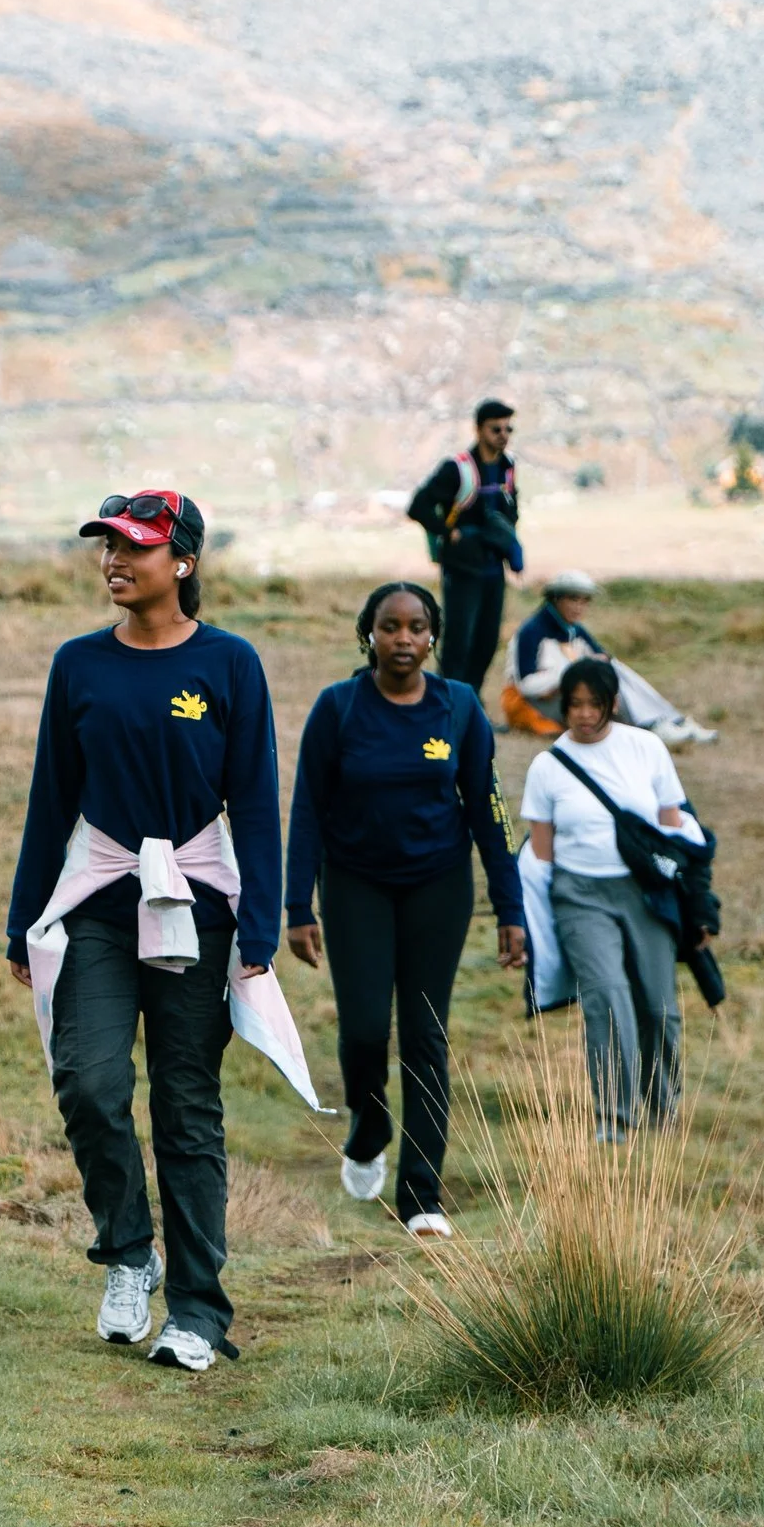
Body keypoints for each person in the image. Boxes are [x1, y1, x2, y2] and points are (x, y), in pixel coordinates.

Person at [6, 490, 280, 1374]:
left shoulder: (231, 664)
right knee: (87, 1080)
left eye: (136, 547)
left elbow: (259, 803)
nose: (114, 561)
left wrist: (261, 922)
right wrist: (23, 918)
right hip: (98, 894)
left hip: (196, 902)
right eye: (108, 547)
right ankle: (130, 1252)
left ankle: (198, 1309)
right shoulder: (78, 664)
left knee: (186, 1103)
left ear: (184, 563)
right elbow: (52, 796)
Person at [284, 582, 526, 1240]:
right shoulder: (338, 708)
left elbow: (489, 810)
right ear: (368, 635)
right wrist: (296, 902)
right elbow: (307, 807)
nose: (403, 639)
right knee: (365, 1028)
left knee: (424, 1034)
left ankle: (422, 1194)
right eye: (389, 626)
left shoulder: (460, 708)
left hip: (437, 886)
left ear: (432, 637)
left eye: (417, 627)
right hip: (355, 882)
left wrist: (511, 907)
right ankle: (368, 1126)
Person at [518, 659, 693, 1141]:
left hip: (644, 894)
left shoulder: (646, 748)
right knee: (608, 1000)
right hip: (580, 897)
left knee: (659, 1008)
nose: (583, 714)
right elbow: (541, 852)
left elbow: (672, 824)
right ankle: (614, 1118)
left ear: (613, 704)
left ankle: (664, 1107)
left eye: (594, 704)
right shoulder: (547, 766)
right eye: (573, 704)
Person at [504, 570, 718, 748]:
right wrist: (573, 672)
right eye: (573, 599)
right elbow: (526, 685)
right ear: (556, 599)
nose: (579, 607)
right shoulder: (532, 631)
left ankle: (672, 721)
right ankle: (654, 727)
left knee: (613, 669)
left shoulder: (573, 629)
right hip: (536, 703)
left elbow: (604, 658)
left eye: (584, 601)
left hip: (568, 695)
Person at [406, 398, 524, 697]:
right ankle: (445, 704)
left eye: (508, 428)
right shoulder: (457, 468)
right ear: (479, 429)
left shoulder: (508, 467)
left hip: (493, 567)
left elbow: (512, 508)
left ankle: (471, 704)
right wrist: (449, 533)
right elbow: (418, 506)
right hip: (461, 569)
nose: (503, 434)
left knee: (486, 642)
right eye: (495, 428)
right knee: (459, 642)